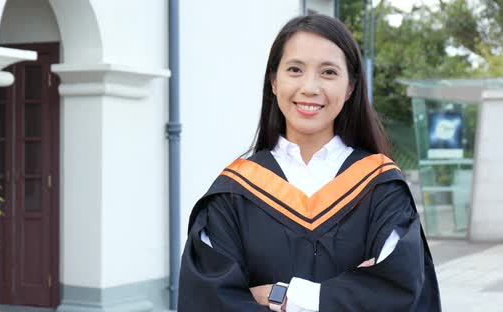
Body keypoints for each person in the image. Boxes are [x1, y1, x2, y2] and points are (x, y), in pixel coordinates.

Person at [178, 14, 441, 312]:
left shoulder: (381, 187)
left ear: (351, 87)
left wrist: (287, 296)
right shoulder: (233, 193)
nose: (310, 87)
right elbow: (210, 300)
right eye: (295, 70)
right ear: (274, 81)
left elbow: (398, 290)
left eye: (328, 72)